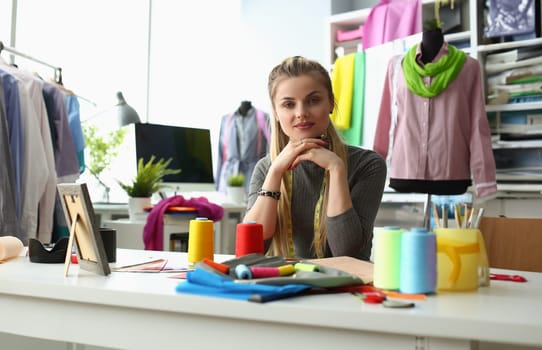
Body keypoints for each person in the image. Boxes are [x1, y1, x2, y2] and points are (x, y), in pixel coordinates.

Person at [244, 56, 387, 261]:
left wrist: (337, 169)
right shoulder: (266, 168)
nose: (301, 113)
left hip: (346, 290)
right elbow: (250, 252)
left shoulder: (367, 164)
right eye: (289, 104)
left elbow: (347, 254)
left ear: (330, 103)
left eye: (313, 100)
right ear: (275, 112)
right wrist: (275, 173)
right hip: (287, 289)